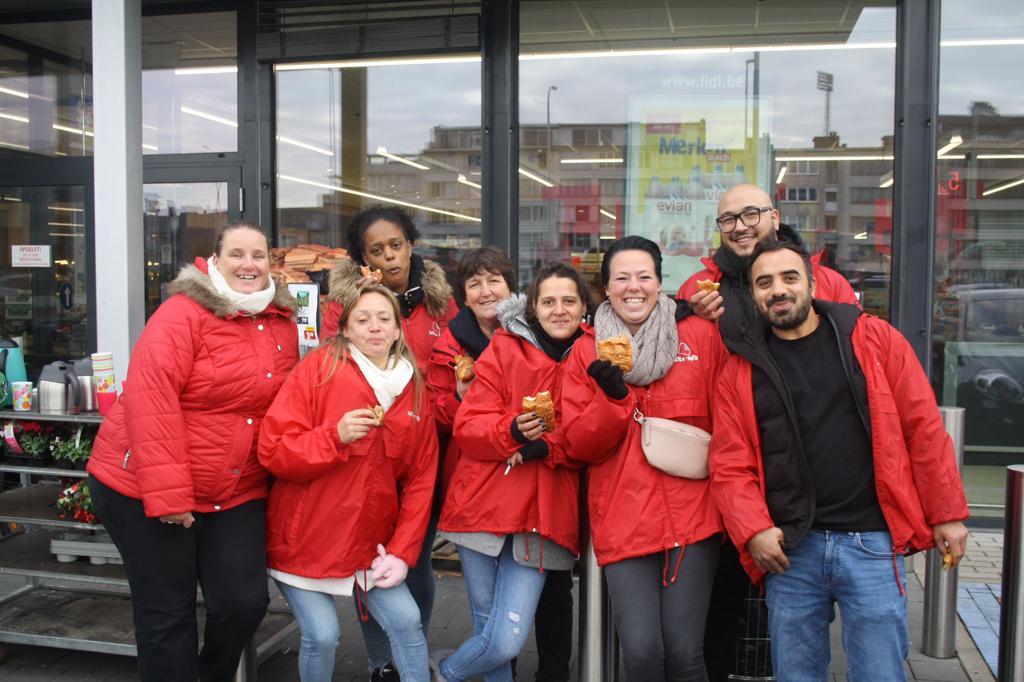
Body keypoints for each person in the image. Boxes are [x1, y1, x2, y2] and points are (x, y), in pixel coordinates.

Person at [709, 239, 970, 682]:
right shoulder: (741, 369)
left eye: (790, 277)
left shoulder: (873, 339)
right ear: (753, 295)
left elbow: (923, 428)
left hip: (872, 542)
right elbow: (730, 463)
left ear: (813, 284)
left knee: (879, 673)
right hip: (792, 548)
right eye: (764, 283)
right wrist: (753, 529)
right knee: (796, 675)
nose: (778, 290)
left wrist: (946, 514)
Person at [86, 222, 300, 681]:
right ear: (215, 260)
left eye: (258, 255)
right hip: (144, 484)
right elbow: (150, 398)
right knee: (168, 614)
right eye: (237, 254)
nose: (248, 264)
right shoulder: (182, 313)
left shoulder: (281, 323)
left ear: (271, 263)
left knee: (244, 603)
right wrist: (168, 495)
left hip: (235, 488)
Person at [677, 183, 859, 680]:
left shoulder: (825, 281)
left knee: (800, 603)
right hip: (730, 459)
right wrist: (691, 316)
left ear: (774, 218)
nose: (740, 226)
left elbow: (851, 364)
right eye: (728, 219)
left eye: (751, 214)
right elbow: (681, 365)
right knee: (724, 595)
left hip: (805, 462)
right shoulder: (700, 289)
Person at [561, 236, 727, 682]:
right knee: (642, 654)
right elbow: (577, 446)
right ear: (606, 288)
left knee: (685, 653)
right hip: (623, 516)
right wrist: (612, 401)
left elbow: (730, 425)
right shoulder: (586, 351)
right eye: (622, 278)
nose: (633, 287)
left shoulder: (699, 335)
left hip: (693, 518)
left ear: (659, 282)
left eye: (644, 276)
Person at [258, 284, 437, 682]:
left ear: (398, 330)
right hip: (306, 540)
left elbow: (422, 479)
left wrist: (402, 551)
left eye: (384, 319)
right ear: (345, 329)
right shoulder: (319, 369)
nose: (375, 327)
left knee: (408, 620)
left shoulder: (414, 388)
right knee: (323, 636)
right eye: (363, 319)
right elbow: (273, 450)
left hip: (368, 545)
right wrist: (333, 436)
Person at [434, 263, 590, 682]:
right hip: (482, 503)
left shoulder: (594, 354)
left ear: (584, 308)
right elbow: (468, 425)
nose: (559, 310)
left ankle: (444, 672)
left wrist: (547, 445)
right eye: (549, 301)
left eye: (569, 301)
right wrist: (511, 430)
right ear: (533, 306)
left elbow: (591, 434)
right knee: (489, 629)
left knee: (506, 638)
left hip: (542, 514)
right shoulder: (505, 347)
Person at [323, 205, 457, 680]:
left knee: (414, 560)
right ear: (363, 258)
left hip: (425, 450)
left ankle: (411, 652)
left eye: (396, 245)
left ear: (411, 245)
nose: (389, 257)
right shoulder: (344, 304)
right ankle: (382, 663)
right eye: (376, 250)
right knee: (370, 561)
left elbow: (454, 367)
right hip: (368, 453)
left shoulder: (441, 302)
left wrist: (427, 409)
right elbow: (334, 370)